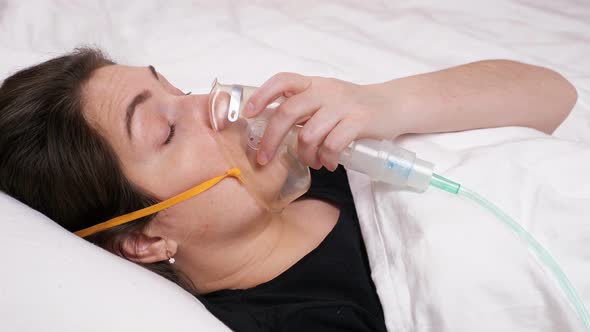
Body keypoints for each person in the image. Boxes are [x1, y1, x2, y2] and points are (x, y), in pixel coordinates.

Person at [0, 48, 576, 331]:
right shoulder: (295, 320)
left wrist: (387, 101)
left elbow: (553, 96)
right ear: (142, 240)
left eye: (176, 87)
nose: (210, 104)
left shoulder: (328, 153)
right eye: (168, 129)